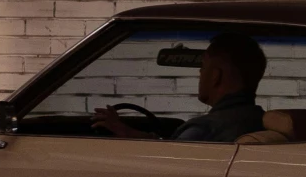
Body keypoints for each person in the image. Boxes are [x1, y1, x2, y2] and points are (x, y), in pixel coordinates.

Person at [93, 31, 267, 142]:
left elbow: (169, 160)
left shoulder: (205, 129)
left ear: (215, 76)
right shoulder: (260, 120)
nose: (200, 73)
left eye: (203, 67)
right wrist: (125, 131)